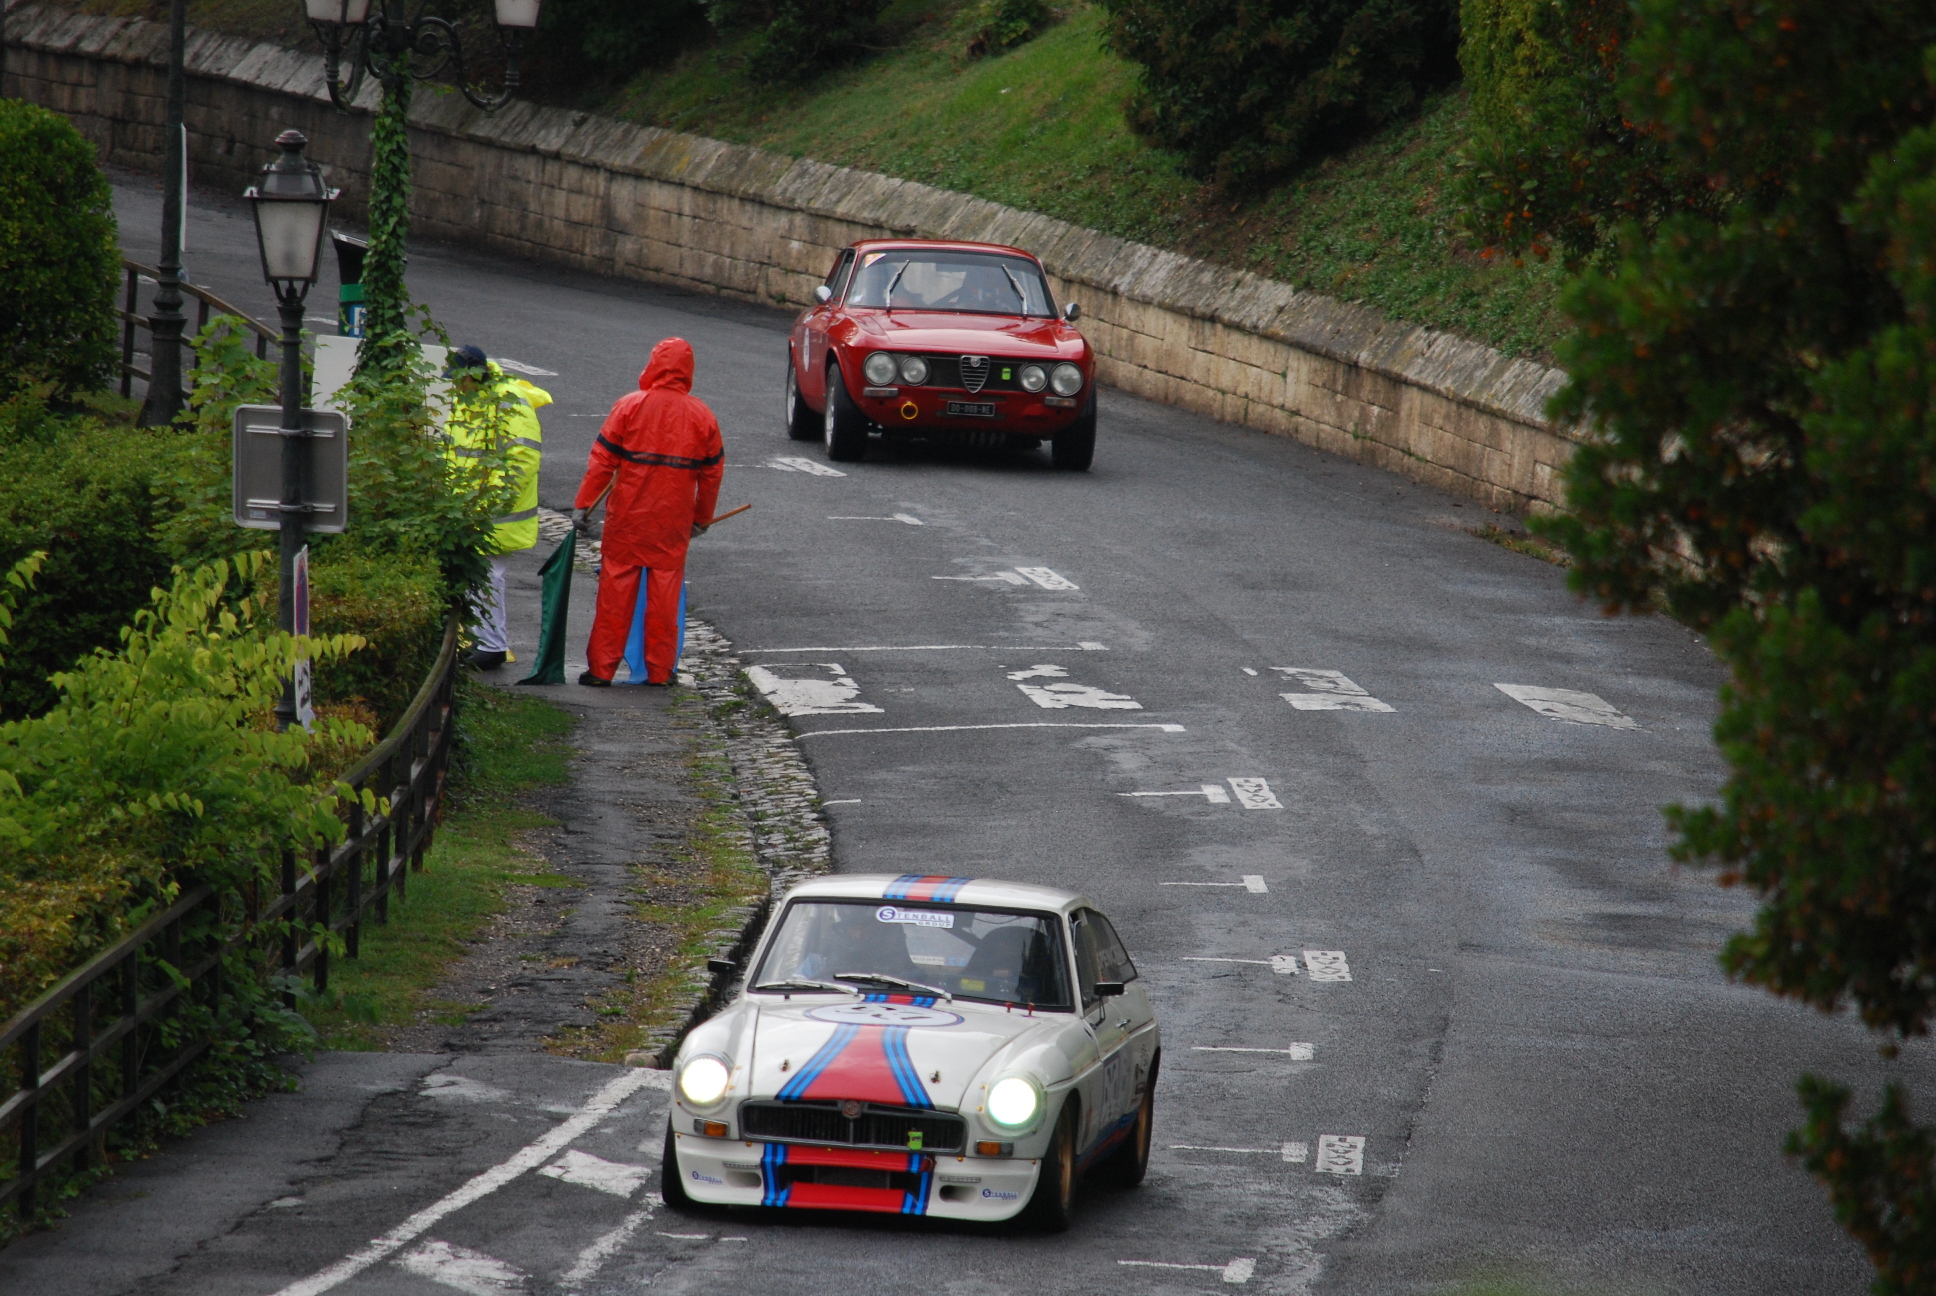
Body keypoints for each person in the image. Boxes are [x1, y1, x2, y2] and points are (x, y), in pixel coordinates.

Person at [573, 336, 722, 686]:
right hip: (672, 522)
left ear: (654, 365)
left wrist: (584, 504)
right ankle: (660, 672)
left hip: (627, 518)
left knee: (615, 597)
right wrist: (701, 518)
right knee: (664, 602)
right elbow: (711, 474)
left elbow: (602, 461)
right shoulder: (702, 415)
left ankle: (601, 670)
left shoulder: (629, 406)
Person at [444, 344, 548, 670]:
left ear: (476, 375)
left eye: (460, 378)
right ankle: (482, 642)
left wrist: (492, 500)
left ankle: (491, 647)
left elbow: (523, 457)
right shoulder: (468, 400)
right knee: (479, 577)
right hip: (470, 509)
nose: (455, 385)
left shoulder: (508, 400)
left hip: (495, 511)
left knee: (488, 576)